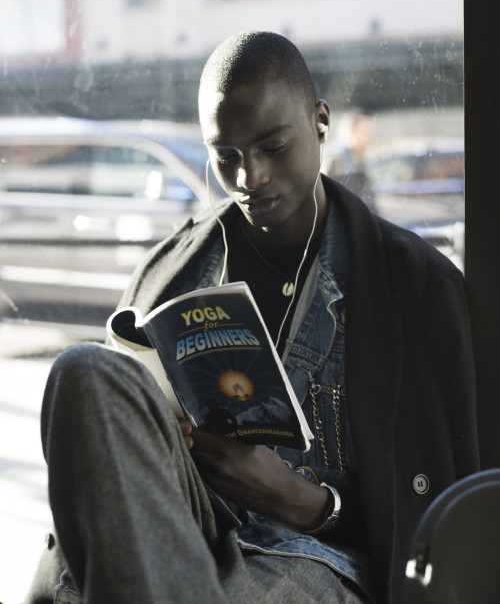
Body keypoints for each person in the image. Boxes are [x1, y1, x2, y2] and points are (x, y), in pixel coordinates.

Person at [30, 31, 479, 604]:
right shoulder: (172, 272)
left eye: (272, 146)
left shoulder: (413, 284)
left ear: (320, 121)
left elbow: (442, 502)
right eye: (226, 156)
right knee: (82, 370)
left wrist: (306, 502)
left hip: (319, 556)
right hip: (183, 524)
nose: (249, 177)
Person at [321, 108, 378, 211]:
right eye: (366, 132)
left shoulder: (356, 159)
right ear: (351, 132)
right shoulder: (335, 160)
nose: (370, 137)